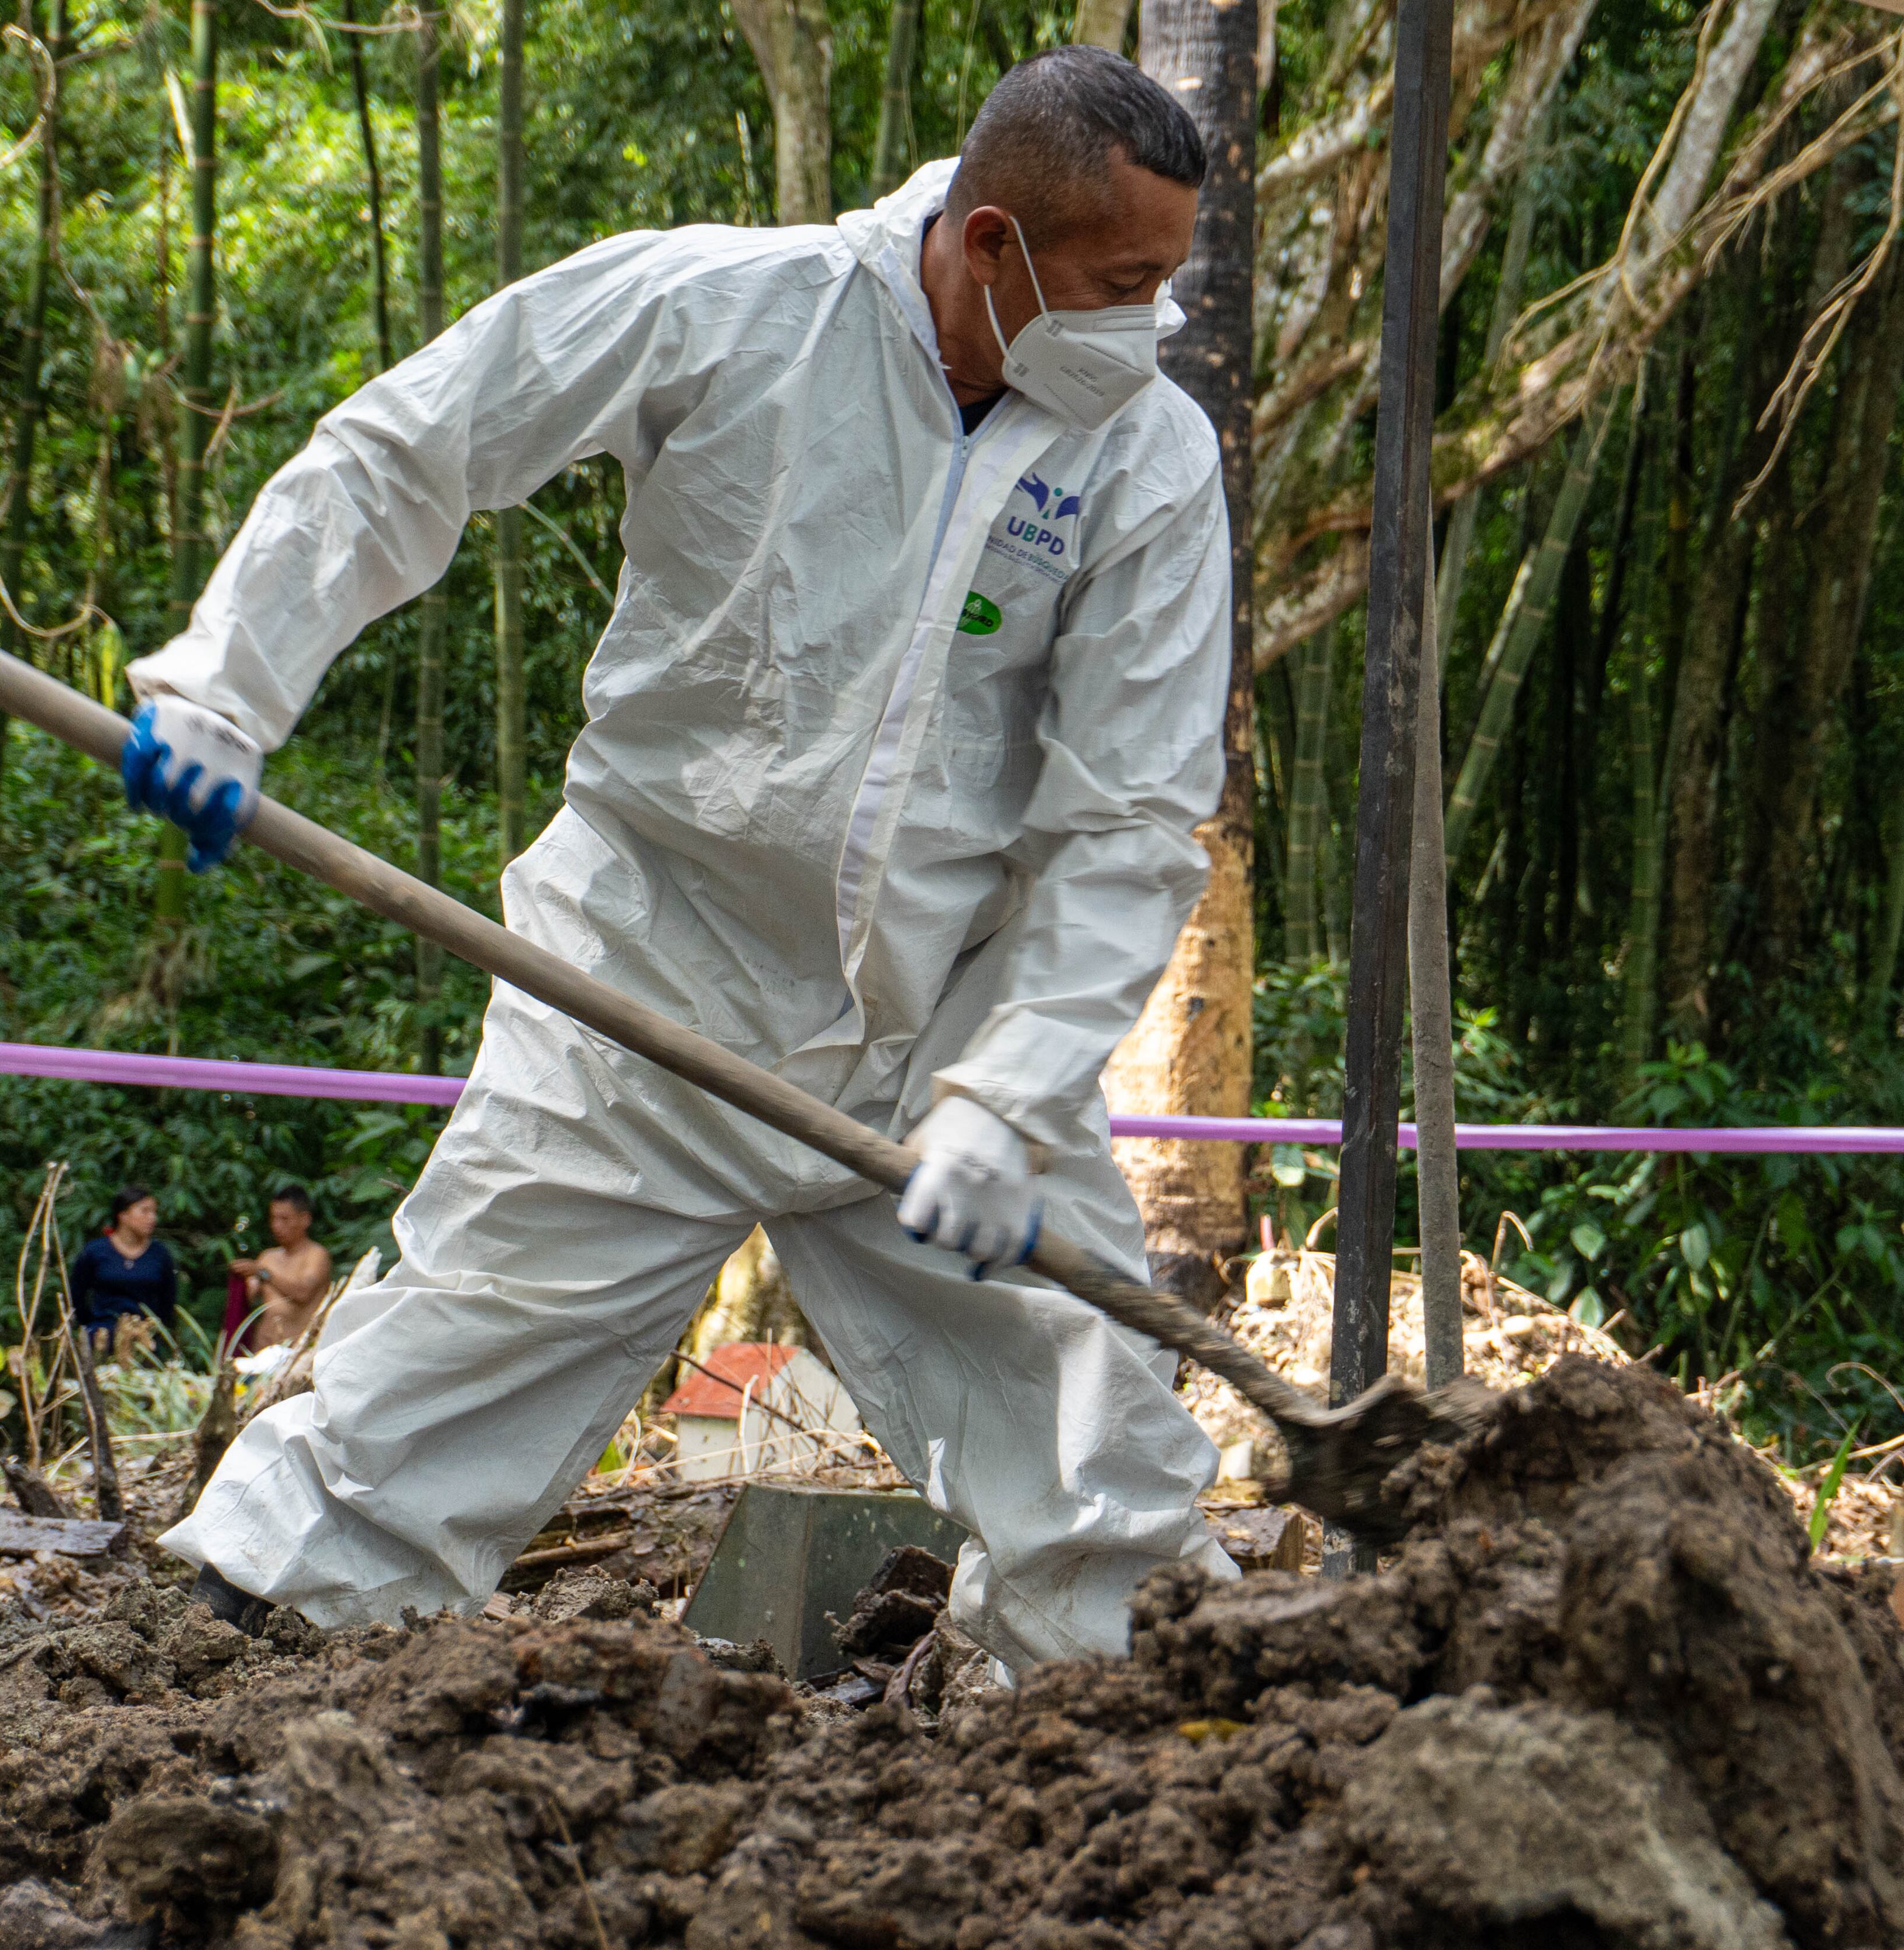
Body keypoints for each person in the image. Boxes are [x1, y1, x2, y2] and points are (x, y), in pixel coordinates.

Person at [126, 47, 1236, 1672]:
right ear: (993, 242)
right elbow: (417, 442)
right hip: (645, 995)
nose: (1151, 323)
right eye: (1123, 283)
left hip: (939, 1048)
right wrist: (229, 683)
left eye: (1165, 282)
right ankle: (219, 1677)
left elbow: (1126, 814)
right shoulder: (730, 311)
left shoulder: (1148, 459)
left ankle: (1123, 1734)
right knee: (420, 1402)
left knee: (1102, 1464)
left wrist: (1011, 1091)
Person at [228, 1185, 332, 1352]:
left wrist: (263, 1273)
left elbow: (303, 1293)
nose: (277, 1226)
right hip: (262, 1353)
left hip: (296, 1354)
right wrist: (241, 1283)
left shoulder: (317, 1255)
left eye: (284, 1219)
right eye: (274, 1219)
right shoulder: (267, 1257)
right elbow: (250, 1294)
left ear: (305, 1219)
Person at [68, 1186, 180, 1342]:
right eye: (145, 1211)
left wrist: (154, 1331)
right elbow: (77, 1295)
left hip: (145, 1338)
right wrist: (92, 1326)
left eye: (154, 1212)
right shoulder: (96, 1251)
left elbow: (168, 1301)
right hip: (102, 1336)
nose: (152, 1218)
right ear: (123, 1215)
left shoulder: (159, 1254)